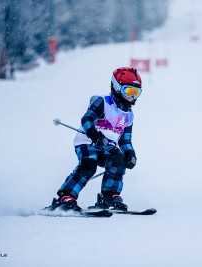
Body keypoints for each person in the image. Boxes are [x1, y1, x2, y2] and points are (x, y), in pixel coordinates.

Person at [47, 67, 142, 212]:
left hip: (108, 147)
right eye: (128, 92)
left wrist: (130, 154)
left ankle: (109, 197)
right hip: (88, 142)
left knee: (118, 161)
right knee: (88, 165)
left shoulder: (128, 115)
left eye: (136, 93)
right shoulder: (102, 101)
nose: (132, 97)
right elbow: (86, 120)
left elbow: (125, 140)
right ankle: (66, 197)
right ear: (116, 87)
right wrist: (95, 135)